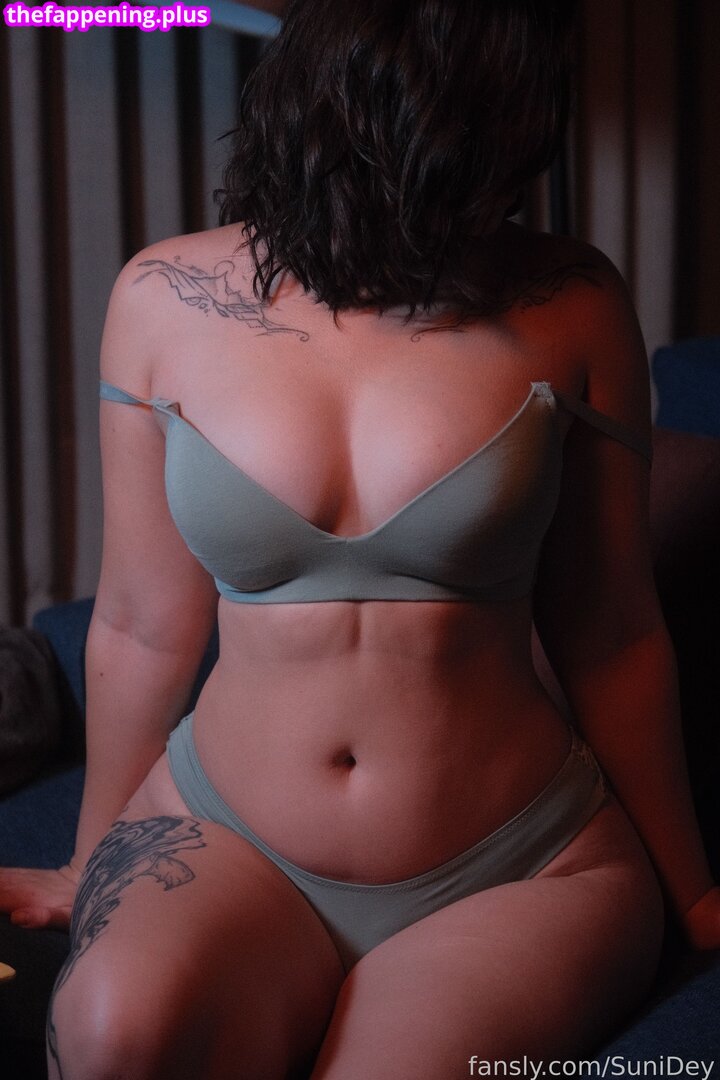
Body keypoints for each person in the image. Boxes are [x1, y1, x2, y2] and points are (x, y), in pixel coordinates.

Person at [2, 1, 719, 1076]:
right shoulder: (161, 296)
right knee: (115, 1036)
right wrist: (87, 857)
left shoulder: (571, 300)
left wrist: (692, 891)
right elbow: (141, 626)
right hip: (226, 833)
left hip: (520, 861)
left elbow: (611, 631)